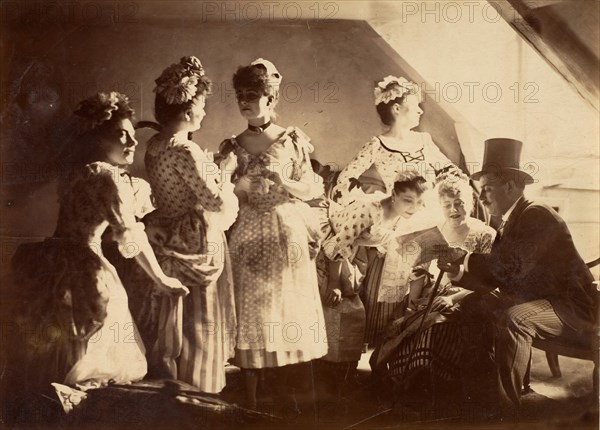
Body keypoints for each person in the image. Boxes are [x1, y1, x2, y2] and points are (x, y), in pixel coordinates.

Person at [5, 92, 188, 419]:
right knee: (98, 357)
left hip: (55, 260)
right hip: (84, 267)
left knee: (65, 353)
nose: (132, 141)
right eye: (122, 134)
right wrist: (162, 279)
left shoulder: (81, 171)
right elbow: (127, 237)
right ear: (98, 137)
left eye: (133, 134)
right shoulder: (106, 177)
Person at [438, 138, 597, 411]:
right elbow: (496, 279)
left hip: (571, 306)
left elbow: (509, 269)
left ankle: (505, 408)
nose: (482, 197)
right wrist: (457, 273)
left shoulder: (536, 214)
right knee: (473, 304)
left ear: (510, 186)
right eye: (481, 189)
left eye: (488, 188)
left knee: (516, 319)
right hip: (543, 300)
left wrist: (464, 258)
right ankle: (477, 392)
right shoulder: (512, 219)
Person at [219, 58, 327, 411]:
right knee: (252, 312)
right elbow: (220, 193)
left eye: (252, 94)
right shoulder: (232, 145)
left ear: (270, 96)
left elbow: (311, 187)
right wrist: (238, 185)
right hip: (249, 230)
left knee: (286, 310)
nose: (245, 102)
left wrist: (287, 182)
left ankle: (288, 394)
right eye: (240, 96)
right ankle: (251, 400)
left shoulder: (291, 139)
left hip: (285, 229)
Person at [330, 76, 454, 346]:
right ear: (397, 108)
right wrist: (363, 204)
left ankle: (420, 341)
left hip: (431, 213)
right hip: (400, 218)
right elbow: (345, 180)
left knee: (435, 265)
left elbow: (449, 171)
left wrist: (455, 191)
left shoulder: (424, 140)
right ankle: (387, 343)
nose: (421, 111)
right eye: (415, 105)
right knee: (396, 271)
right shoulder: (377, 144)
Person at [143, 56, 239, 394]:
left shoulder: (154, 146)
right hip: (196, 236)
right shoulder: (185, 148)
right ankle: (201, 389)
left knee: (178, 316)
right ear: (187, 111)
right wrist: (225, 170)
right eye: (202, 106)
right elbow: (214, 201)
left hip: (168, 232)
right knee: (202, 316)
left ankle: (176, 388)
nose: (204, 113)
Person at [371, 168, 495, 408]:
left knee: (435, 328)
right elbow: (419, 273)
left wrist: (454, 299)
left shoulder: (485, 234)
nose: (454, 210)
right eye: (447, 205)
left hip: (468, 299)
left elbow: (489, 282)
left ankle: (435, 387)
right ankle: (412, 383)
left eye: (459, 203)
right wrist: (410, 308)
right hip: (432, 295)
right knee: (399, 327)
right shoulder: (436, 232)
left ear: (469, 202)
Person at [319, 171, 429, 400]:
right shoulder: (367, 209)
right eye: (408, 200)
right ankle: (330, 378)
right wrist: (334, 283)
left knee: (365, 309)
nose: (413, 207)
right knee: (341, 309)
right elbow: (337, 246)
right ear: (394, 194)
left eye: (419, 203)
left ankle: (350, 373)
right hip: (330, 252)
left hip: (355, 256)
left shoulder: (401, 215)